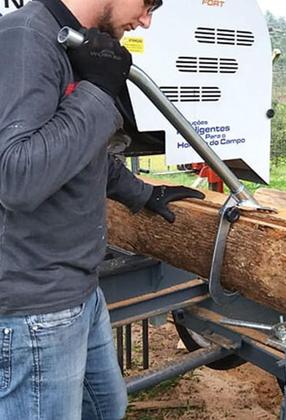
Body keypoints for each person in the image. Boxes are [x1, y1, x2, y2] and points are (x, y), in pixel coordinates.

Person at [0, 0, 205, 418]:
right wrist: (97, 90)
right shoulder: (26, 38)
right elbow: (17, 178)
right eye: (148, 3)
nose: (146, 20)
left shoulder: (79, 45)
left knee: (107, 407)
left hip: (80, 289)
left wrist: (142, 193)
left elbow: (82, 153)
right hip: (37, 307)